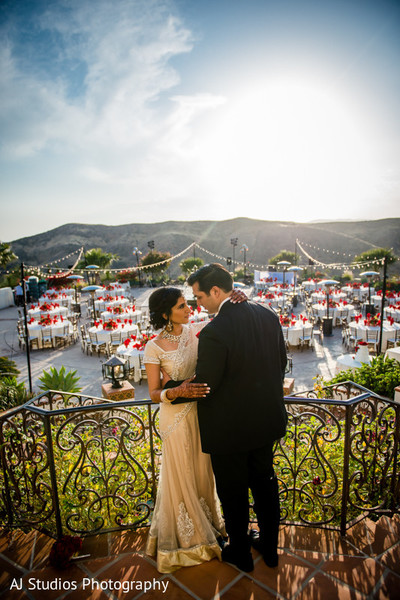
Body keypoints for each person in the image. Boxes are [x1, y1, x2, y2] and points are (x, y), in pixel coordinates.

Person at [164, 263, 288, 572]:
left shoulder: (215, 332)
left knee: (233, 491)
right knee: (265, 484)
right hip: (265, 421)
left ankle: (240, 553)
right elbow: (281, 362)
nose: (198, 304)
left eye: (200, 296)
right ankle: (270, 549)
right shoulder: (268, 314)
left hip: (229, 430)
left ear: (216, 292)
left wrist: (171, 388)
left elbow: (206, 385)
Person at [143, 287, 226, 574]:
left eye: (188, 303)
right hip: (174, 418)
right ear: (166, 314)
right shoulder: (153, 347)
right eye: (181, 306)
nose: (189, 308)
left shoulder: (197, 330)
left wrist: (235, 296)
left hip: (200, 415)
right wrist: (176, 390)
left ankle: (210, 524)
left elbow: (222, 315)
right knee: (181, 476)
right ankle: (187, 540)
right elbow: (153, 392)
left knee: (203, 472)